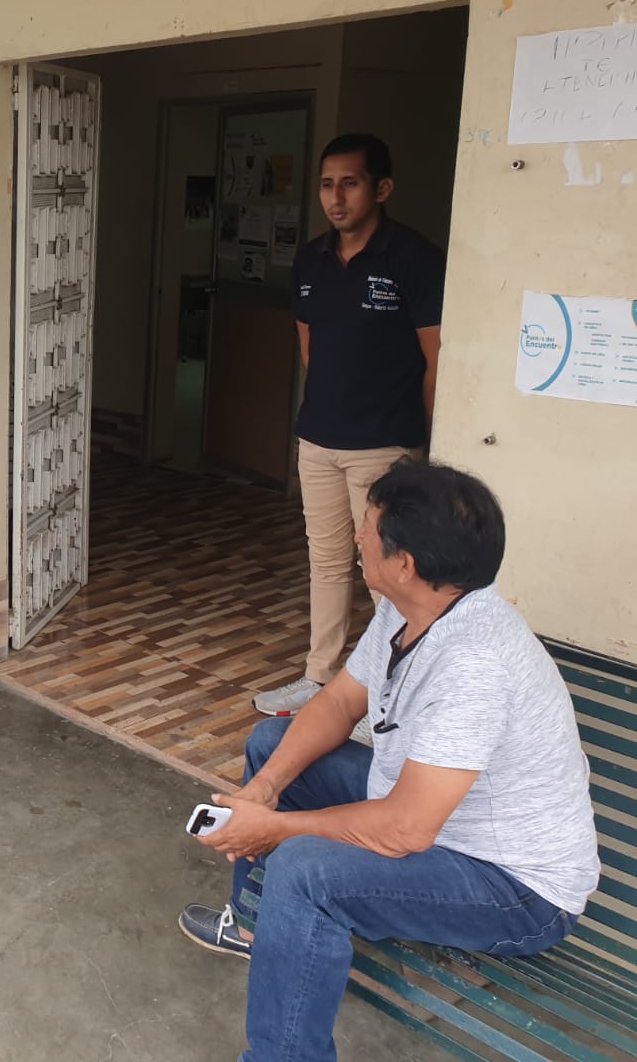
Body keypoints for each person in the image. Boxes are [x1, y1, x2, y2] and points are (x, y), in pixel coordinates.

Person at [179, 461, 599, 1062]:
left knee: (304, 870)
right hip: (436, 819)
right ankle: (255, 926)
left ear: (405, 564)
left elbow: (405, 829)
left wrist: (274, 829)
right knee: (274, 745)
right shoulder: (410, 608)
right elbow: (339, 702)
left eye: (369, 527)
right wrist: (266, 789)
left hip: (513, 887)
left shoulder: (475, 664)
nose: (358, 534)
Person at [254, 133, 445, 719]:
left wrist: (423, 440)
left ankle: (391, 697)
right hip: (318, 438)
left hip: (383, 445)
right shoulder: (311, 259)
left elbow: (436, 357)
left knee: (387, 574)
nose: (335, 198)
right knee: (328, 560)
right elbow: (310, 346)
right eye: (327, 185)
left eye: (350, 184)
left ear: (381, 189)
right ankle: (320, 677)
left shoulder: (411, 257)